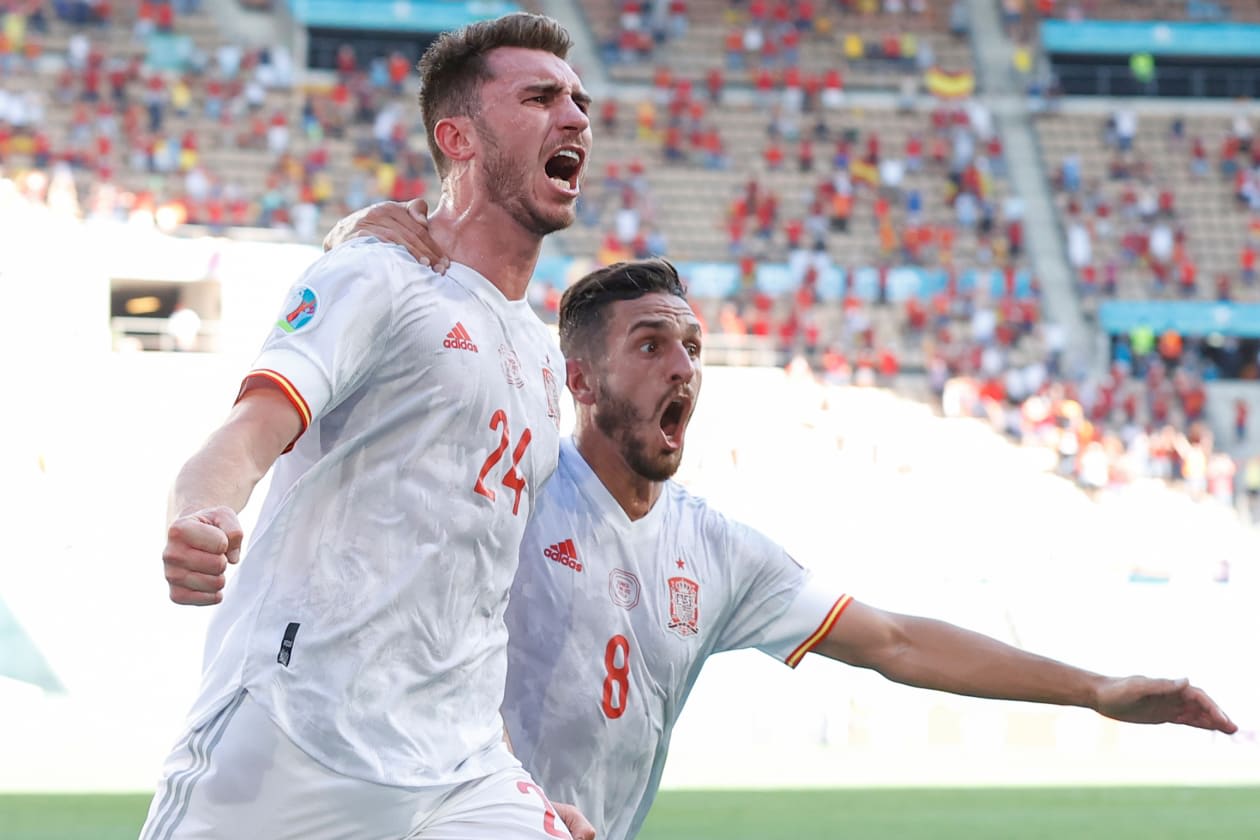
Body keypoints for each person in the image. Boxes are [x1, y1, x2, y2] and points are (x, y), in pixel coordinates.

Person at [324, 220, 1240, 840]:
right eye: (650, 344)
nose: (683, 366)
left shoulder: (718, 552)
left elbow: (896, 641)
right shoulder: (512, 493)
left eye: (692, 346)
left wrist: (1095, 690)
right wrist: (361, 235)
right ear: (581, 381)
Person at [146, 13, 597, 840]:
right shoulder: (375, 276)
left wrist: (513, 790)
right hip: (299, 732)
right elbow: (247, 434)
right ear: (458, 138)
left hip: (462, 768)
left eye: (579, 101)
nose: (575, 117)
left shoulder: (540, 357)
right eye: (540, 98)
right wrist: (201, 513)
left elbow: (474, 595)